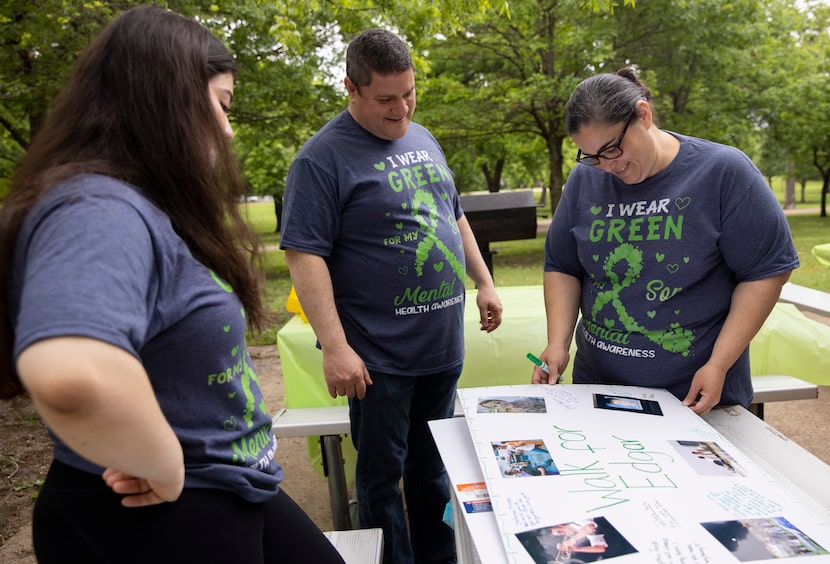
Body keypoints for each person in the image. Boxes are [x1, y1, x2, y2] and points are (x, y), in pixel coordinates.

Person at [0, 6, 344, 563]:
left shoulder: (146, 206)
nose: (229, 128)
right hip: (151, 509)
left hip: (230, 488)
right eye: (221, 103)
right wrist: (163, 461)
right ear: (163, 97)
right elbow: (69, 372)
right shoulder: (96, 207)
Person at [280, 28, 503, 564]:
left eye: (409, 93)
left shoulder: (423, 137)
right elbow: (304, 256)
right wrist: (335, 347)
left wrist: (485, 281)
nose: (401, 108)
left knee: (431, 472)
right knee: (381, 481)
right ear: (351, 89)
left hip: (439, 347)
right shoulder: (320, 160)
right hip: (378, 358)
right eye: (386, 98)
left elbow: (454, 216)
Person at [532, 67, 799, 415]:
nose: (607, 166)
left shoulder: (722, 172)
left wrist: (718, 364)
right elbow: (562, 265)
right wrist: (558, 342)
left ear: (643, 115)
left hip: (693, 396)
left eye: (612, 148)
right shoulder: (585, 179)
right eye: (592, 156)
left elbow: (766, 272)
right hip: (596, 390)